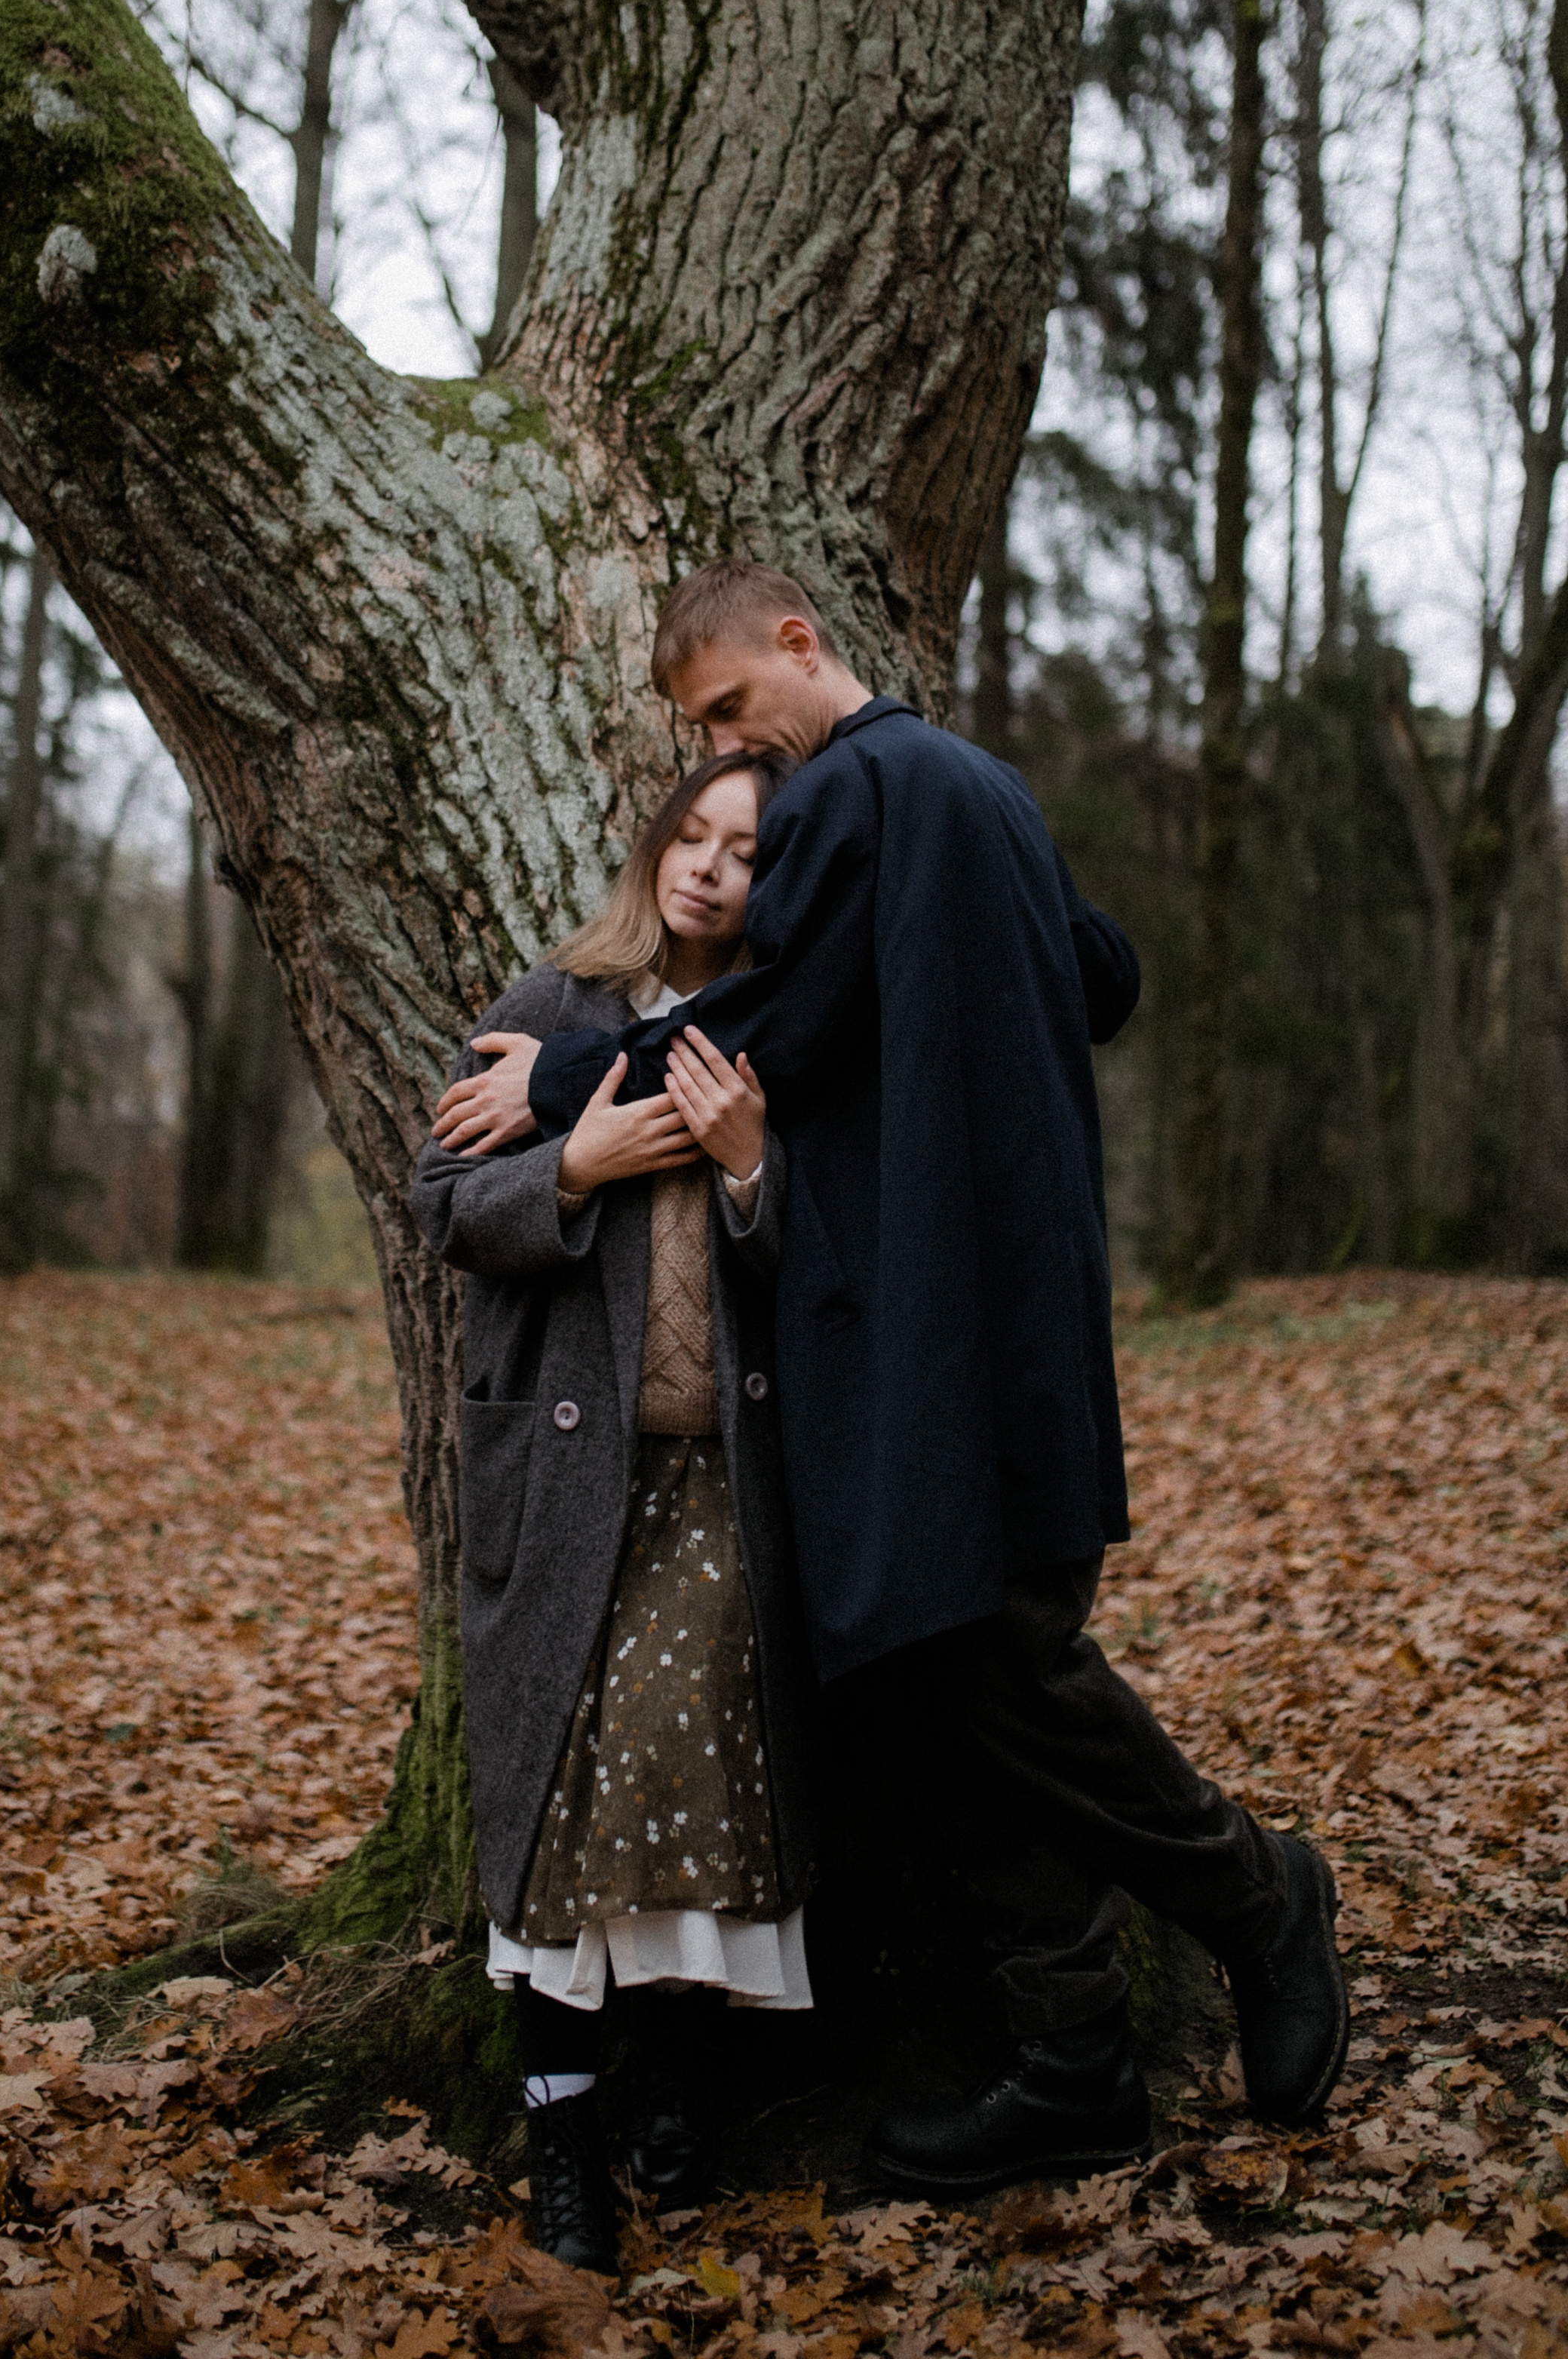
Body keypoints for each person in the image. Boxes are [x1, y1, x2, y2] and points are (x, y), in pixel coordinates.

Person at [431, 559, 1349, 2201]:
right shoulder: (976, 795)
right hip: (992, 1323)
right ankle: (1070, 2059)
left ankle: (1252, 1899)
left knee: (993, 1654)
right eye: (701, 740)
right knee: (937, 1678)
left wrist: (565, 1075)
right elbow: (1105, 975)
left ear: (798, 647)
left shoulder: (858, 785)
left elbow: (771, 1016)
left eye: (725, 706)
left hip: (932, 1331)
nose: (730, 750)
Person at [410, 748, 818, 2272]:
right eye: (692, 838)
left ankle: (684, 2093)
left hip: (724, 1483)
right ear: (652, 848)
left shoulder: (784, 1031)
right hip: (567, 1482)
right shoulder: (551, 1013)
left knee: (698, 1779)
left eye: (749, 852)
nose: (711, 868)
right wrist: (569, 1167)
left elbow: (836, 1261)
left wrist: (750, 1170)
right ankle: (563, 2137)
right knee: (563, 1800)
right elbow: (440, 1205)